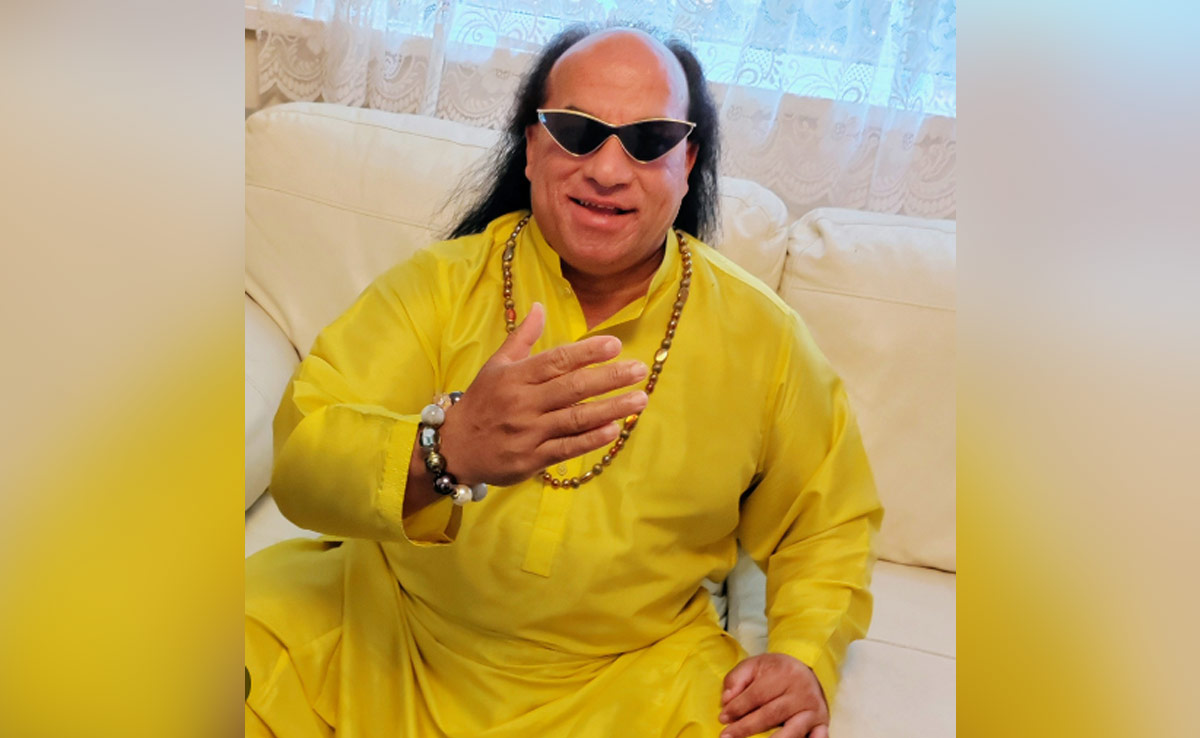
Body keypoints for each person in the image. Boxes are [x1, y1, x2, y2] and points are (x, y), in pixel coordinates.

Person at [245, 24, 882, 738]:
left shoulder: (764, 337)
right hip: (389, 637)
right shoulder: (439, 287)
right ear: (531, 147)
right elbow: (302, 459)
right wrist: (445, 451)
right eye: (578, 132)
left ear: (687, 161)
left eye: (648, 140)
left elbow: (826, 525)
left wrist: (804, 655)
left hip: (635, 682)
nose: (607, 170)